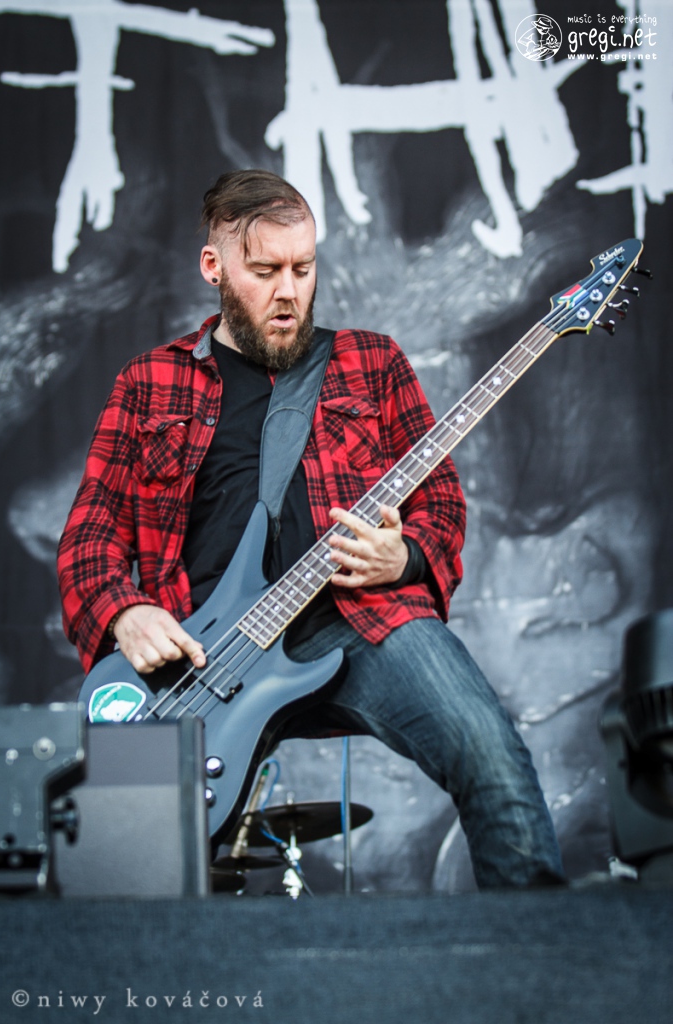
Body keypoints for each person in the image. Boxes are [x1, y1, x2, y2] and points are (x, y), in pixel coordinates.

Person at [57, 168, 564, 889]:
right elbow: (89, 536)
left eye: (302, 268)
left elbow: (443, 503)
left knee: (492, 755)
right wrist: (125, 612)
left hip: (360, 621)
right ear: (214, 267)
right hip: (200, 657)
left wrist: (403, 555)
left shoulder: (373, 362)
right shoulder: (149, 383)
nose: (289, 291)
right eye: (265, 272)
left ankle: (543, 950)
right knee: (137, 866)